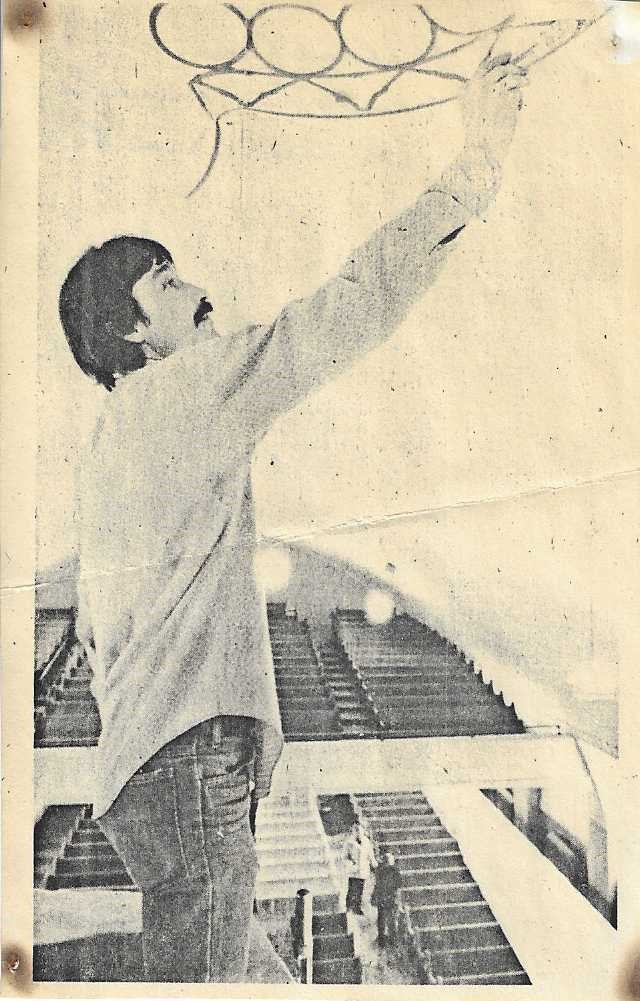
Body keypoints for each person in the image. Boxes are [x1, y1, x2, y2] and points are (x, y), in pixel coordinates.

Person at [59, 53, 527, 983]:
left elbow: (95, 632)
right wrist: (475, 164)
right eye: (166, 280)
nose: (198, 291)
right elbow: (345, 309)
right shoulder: (182, 392)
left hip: (147, 764)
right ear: (129, 331)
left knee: (210, 966)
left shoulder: (107, 446)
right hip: (188, 757)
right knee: (205, 979)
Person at [345, 821, 377, 915]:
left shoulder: (366, 842)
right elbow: (345, 856)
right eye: (356, 830)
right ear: (353, 831)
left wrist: (373, 862)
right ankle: (349, 907)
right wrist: (351, 864)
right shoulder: (349, 842)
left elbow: (370, 854)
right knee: (352, 888)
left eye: (359, 829)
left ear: (363, 830)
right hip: (353, 870)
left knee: (360, 889)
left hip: (363, 869)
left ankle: (357, 907)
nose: (358, 832)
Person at [372, 851, 402, 947]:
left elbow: (377, 885)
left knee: (382, 919)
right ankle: (393, 940)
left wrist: (375, 897)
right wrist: (398, 900)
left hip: (382, 898)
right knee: (391, 919)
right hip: (390, 897)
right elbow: (398, 887)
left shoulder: (380, 871)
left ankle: (382, 940)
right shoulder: (396, 871)